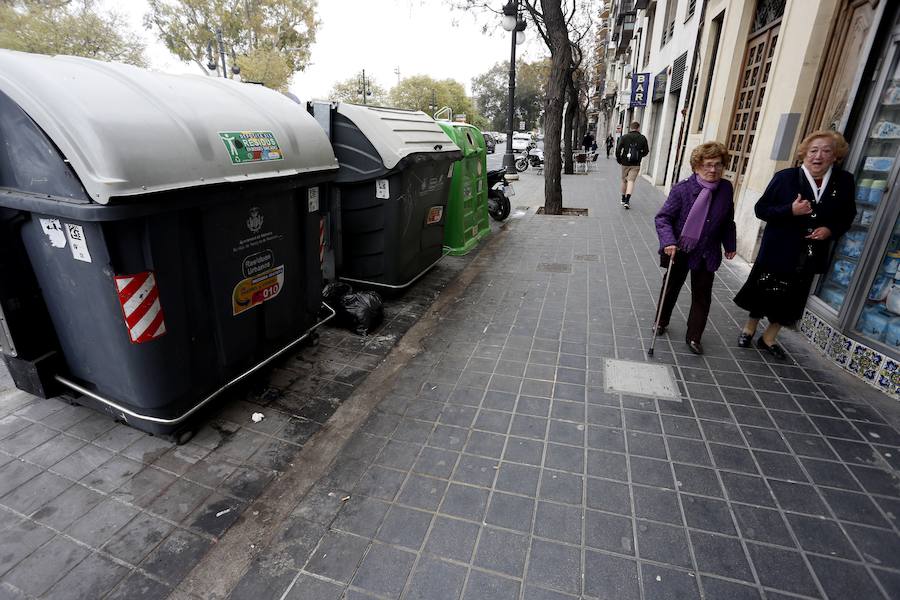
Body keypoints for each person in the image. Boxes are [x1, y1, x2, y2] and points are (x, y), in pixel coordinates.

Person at [734, 130, 856, 359]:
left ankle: (769, 337)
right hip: (778, 248)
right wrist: (790, 210)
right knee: (764, 288)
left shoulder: (844, 181)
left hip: (810, 253)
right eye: (813, 150)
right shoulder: (785, 177)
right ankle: (749, 328)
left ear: (835, 156)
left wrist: (830, 230)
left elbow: (848, 215)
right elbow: (762, 209)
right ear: (804, 154)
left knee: (793, 295)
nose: (818, 156)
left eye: (826, 151)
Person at [654, 142, 737, 355]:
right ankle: (661, 322)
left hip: (707, 251)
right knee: (671, 287)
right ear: (697, 166)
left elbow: (728, 220)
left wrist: (730, 244)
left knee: (702, 295)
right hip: (680, 249)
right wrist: (668, 242)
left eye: (718, 165)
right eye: (708, 165)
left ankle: (694, 337)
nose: (713, 170)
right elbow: (663, 218)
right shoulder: (682, 189)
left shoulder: (726, 189)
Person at [615, 121, 649, 209]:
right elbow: (646, 151)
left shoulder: (624, 137)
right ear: (638, 128)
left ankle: (623, 198)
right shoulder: (642, 138)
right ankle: (627, 200)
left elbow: (618, 149)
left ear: (630, 128)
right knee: (631, 181)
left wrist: (619, 159)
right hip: (636, 164)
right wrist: (640, 156)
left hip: (625, 163)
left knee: (624, 181)